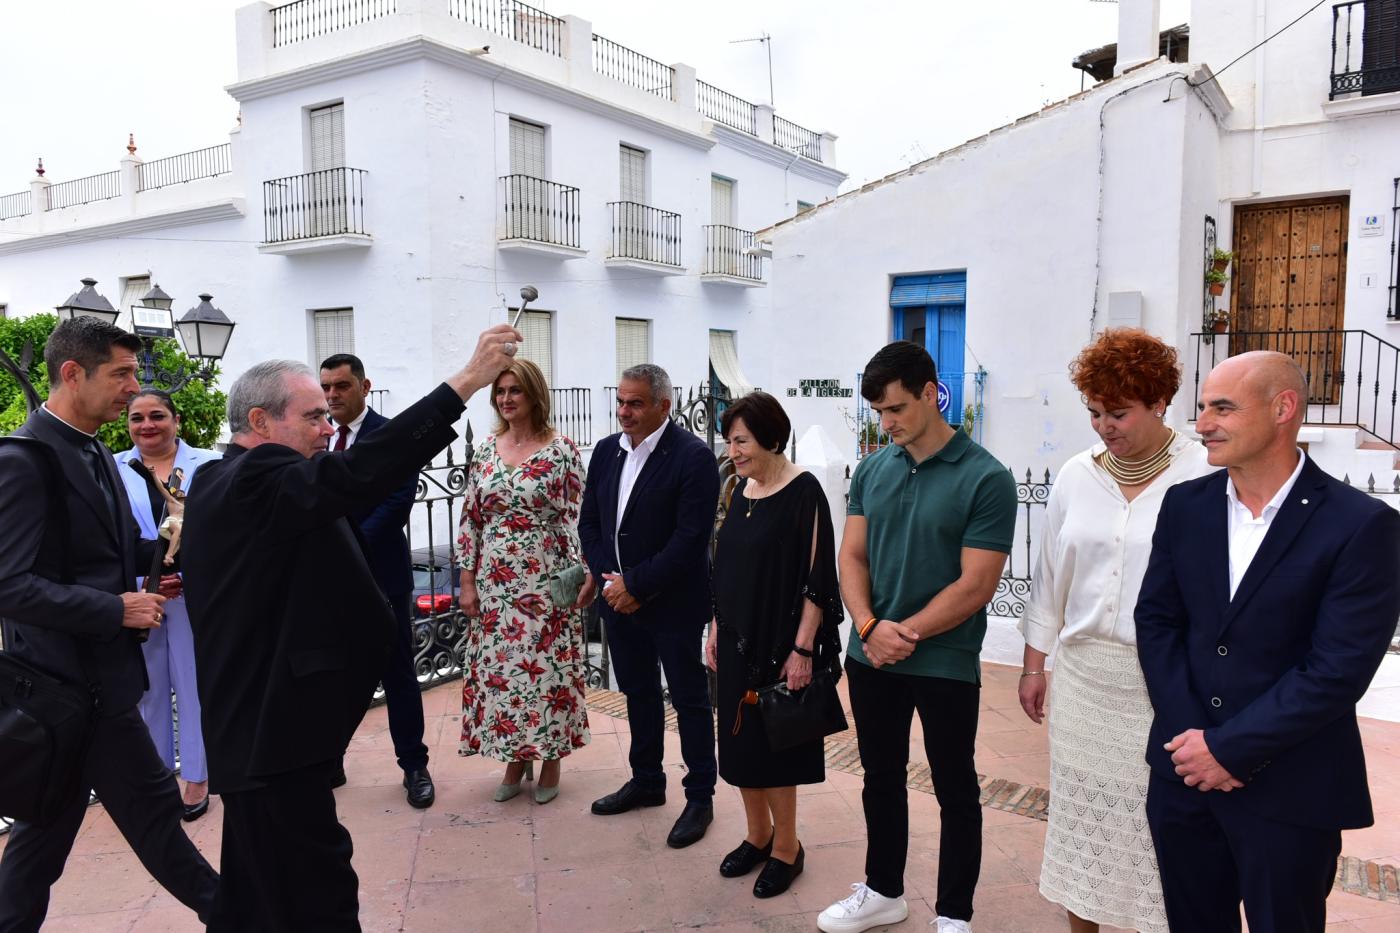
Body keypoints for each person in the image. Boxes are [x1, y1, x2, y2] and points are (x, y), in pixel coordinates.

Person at [180, 324, 521, 931]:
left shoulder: (217, 478)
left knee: (258, 884)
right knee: (320, 885)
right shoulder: (259, 480)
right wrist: (466, 381)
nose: (326, 429)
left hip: (258, 734)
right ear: (260, 423)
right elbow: (361, 471)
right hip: (275, 736)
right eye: (312, 417)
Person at [1135, 350, 1400, 933]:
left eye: (1222, 407)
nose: (1202, 422)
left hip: (1292, 787)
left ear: (1284, 409)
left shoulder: (1359, 524)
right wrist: (1193, 744)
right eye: (1202, 407)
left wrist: (1229, 750)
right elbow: (1157, 624)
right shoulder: (1185, 506)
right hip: (1184, 779)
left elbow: (1338, 668)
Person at [0, 317, 219, 931]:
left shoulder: (96, 450)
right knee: (152, 822)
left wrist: (160, 569)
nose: (133, 388)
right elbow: (8, 585)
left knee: (39, 851)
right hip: (65, 695)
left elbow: (99, 556)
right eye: (120, 374)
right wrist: (113, 609)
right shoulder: (26, 460)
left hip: (98, 690)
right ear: (73, 374)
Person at [1015, 329, 1210, 933]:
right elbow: (1051, 575)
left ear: (1159, 403)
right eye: (1095, 412)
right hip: (1083, 681)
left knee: (1160, 832)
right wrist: (1032, 664)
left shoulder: (1203, 474)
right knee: (1082, 829)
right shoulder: (1077, 475)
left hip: (1164, 685)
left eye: (1118, 412)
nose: (1104, 426)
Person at [817, 341, 1016, 933]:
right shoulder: (875, 468)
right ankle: (884, 891)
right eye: (879, 412)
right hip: (871, 655)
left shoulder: (988, 478)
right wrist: (871, 629)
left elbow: (976, 583)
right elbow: (850, 557)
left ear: (932, 393)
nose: (888, 423)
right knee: (880, 778)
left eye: (898, 408)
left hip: (945, 661)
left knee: (955, 784)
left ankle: (954, 915)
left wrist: (903, 634)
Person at [704, 392, 843, 898]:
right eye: (729, 441)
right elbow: (727, 568)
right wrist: (717, 626)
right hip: (738, 640)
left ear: (772, 438)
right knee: (739, 747)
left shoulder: (804, 491)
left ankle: (787, 848)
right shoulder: (740, 490)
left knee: (776, 750)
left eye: (740, 441)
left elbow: (818, 579)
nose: (733, 451)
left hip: (780, 646)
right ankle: (757, 836)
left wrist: (803, 650)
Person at [578, 363, 721, 848]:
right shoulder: (604, 452)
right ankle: (647, 781)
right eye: (620, 401)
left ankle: (700, 796)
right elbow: (591, 524)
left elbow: (689, 540)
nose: (624, 412)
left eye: (635, 403)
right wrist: (609, 581)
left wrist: (635, 584)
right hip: (619, 602)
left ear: (664, 405)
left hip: (672, 603)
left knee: (689, 700)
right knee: (637, 694)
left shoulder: (693, 458)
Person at [456, 358, 593, 803]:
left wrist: (584, 573)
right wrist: (468, 580)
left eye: (515, 391)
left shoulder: (562, 449)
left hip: (546, 574)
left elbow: (581, 517)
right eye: (500, 392)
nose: (506, 399)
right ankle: (515, 756)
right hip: (496, 579)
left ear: (535, 395)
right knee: (505, 674)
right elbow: (471, 519)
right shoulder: (485, 450)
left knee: (547, 670)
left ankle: (550, 758)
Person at [320, 353, 435, 809]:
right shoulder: (317, 435)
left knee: (398, 673)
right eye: (326, 387)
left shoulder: (391, 436)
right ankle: (329, 758)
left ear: (365, 387)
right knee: (332, 673)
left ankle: (414, 765)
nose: (332, 396)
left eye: (341, 387)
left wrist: (344, 551)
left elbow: (398, 502)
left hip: (381, 576)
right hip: (325, 581)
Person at [113, 388, 222, 822]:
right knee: (148, 690)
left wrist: (184, 572)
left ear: (176, 419)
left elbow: (217, 528)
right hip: (140, 596)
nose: (147, 425)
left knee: (195, 686)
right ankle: (156, 779)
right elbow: (113, 536)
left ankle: (197, 777)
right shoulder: (113, 468)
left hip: (194, 596)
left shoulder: (208, 466)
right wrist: (145, 580)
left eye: (156, 415)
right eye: (136, 418)